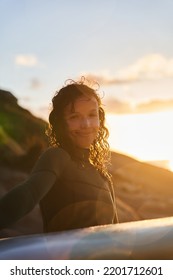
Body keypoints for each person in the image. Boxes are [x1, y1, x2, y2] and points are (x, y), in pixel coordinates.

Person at [0, 78, 118, 233]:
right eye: (74, 117)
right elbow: (28, 194)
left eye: (92, 115)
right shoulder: (57, 157)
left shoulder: (102, 174)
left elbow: (116, 232)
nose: (86, 125)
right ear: (61, 122)